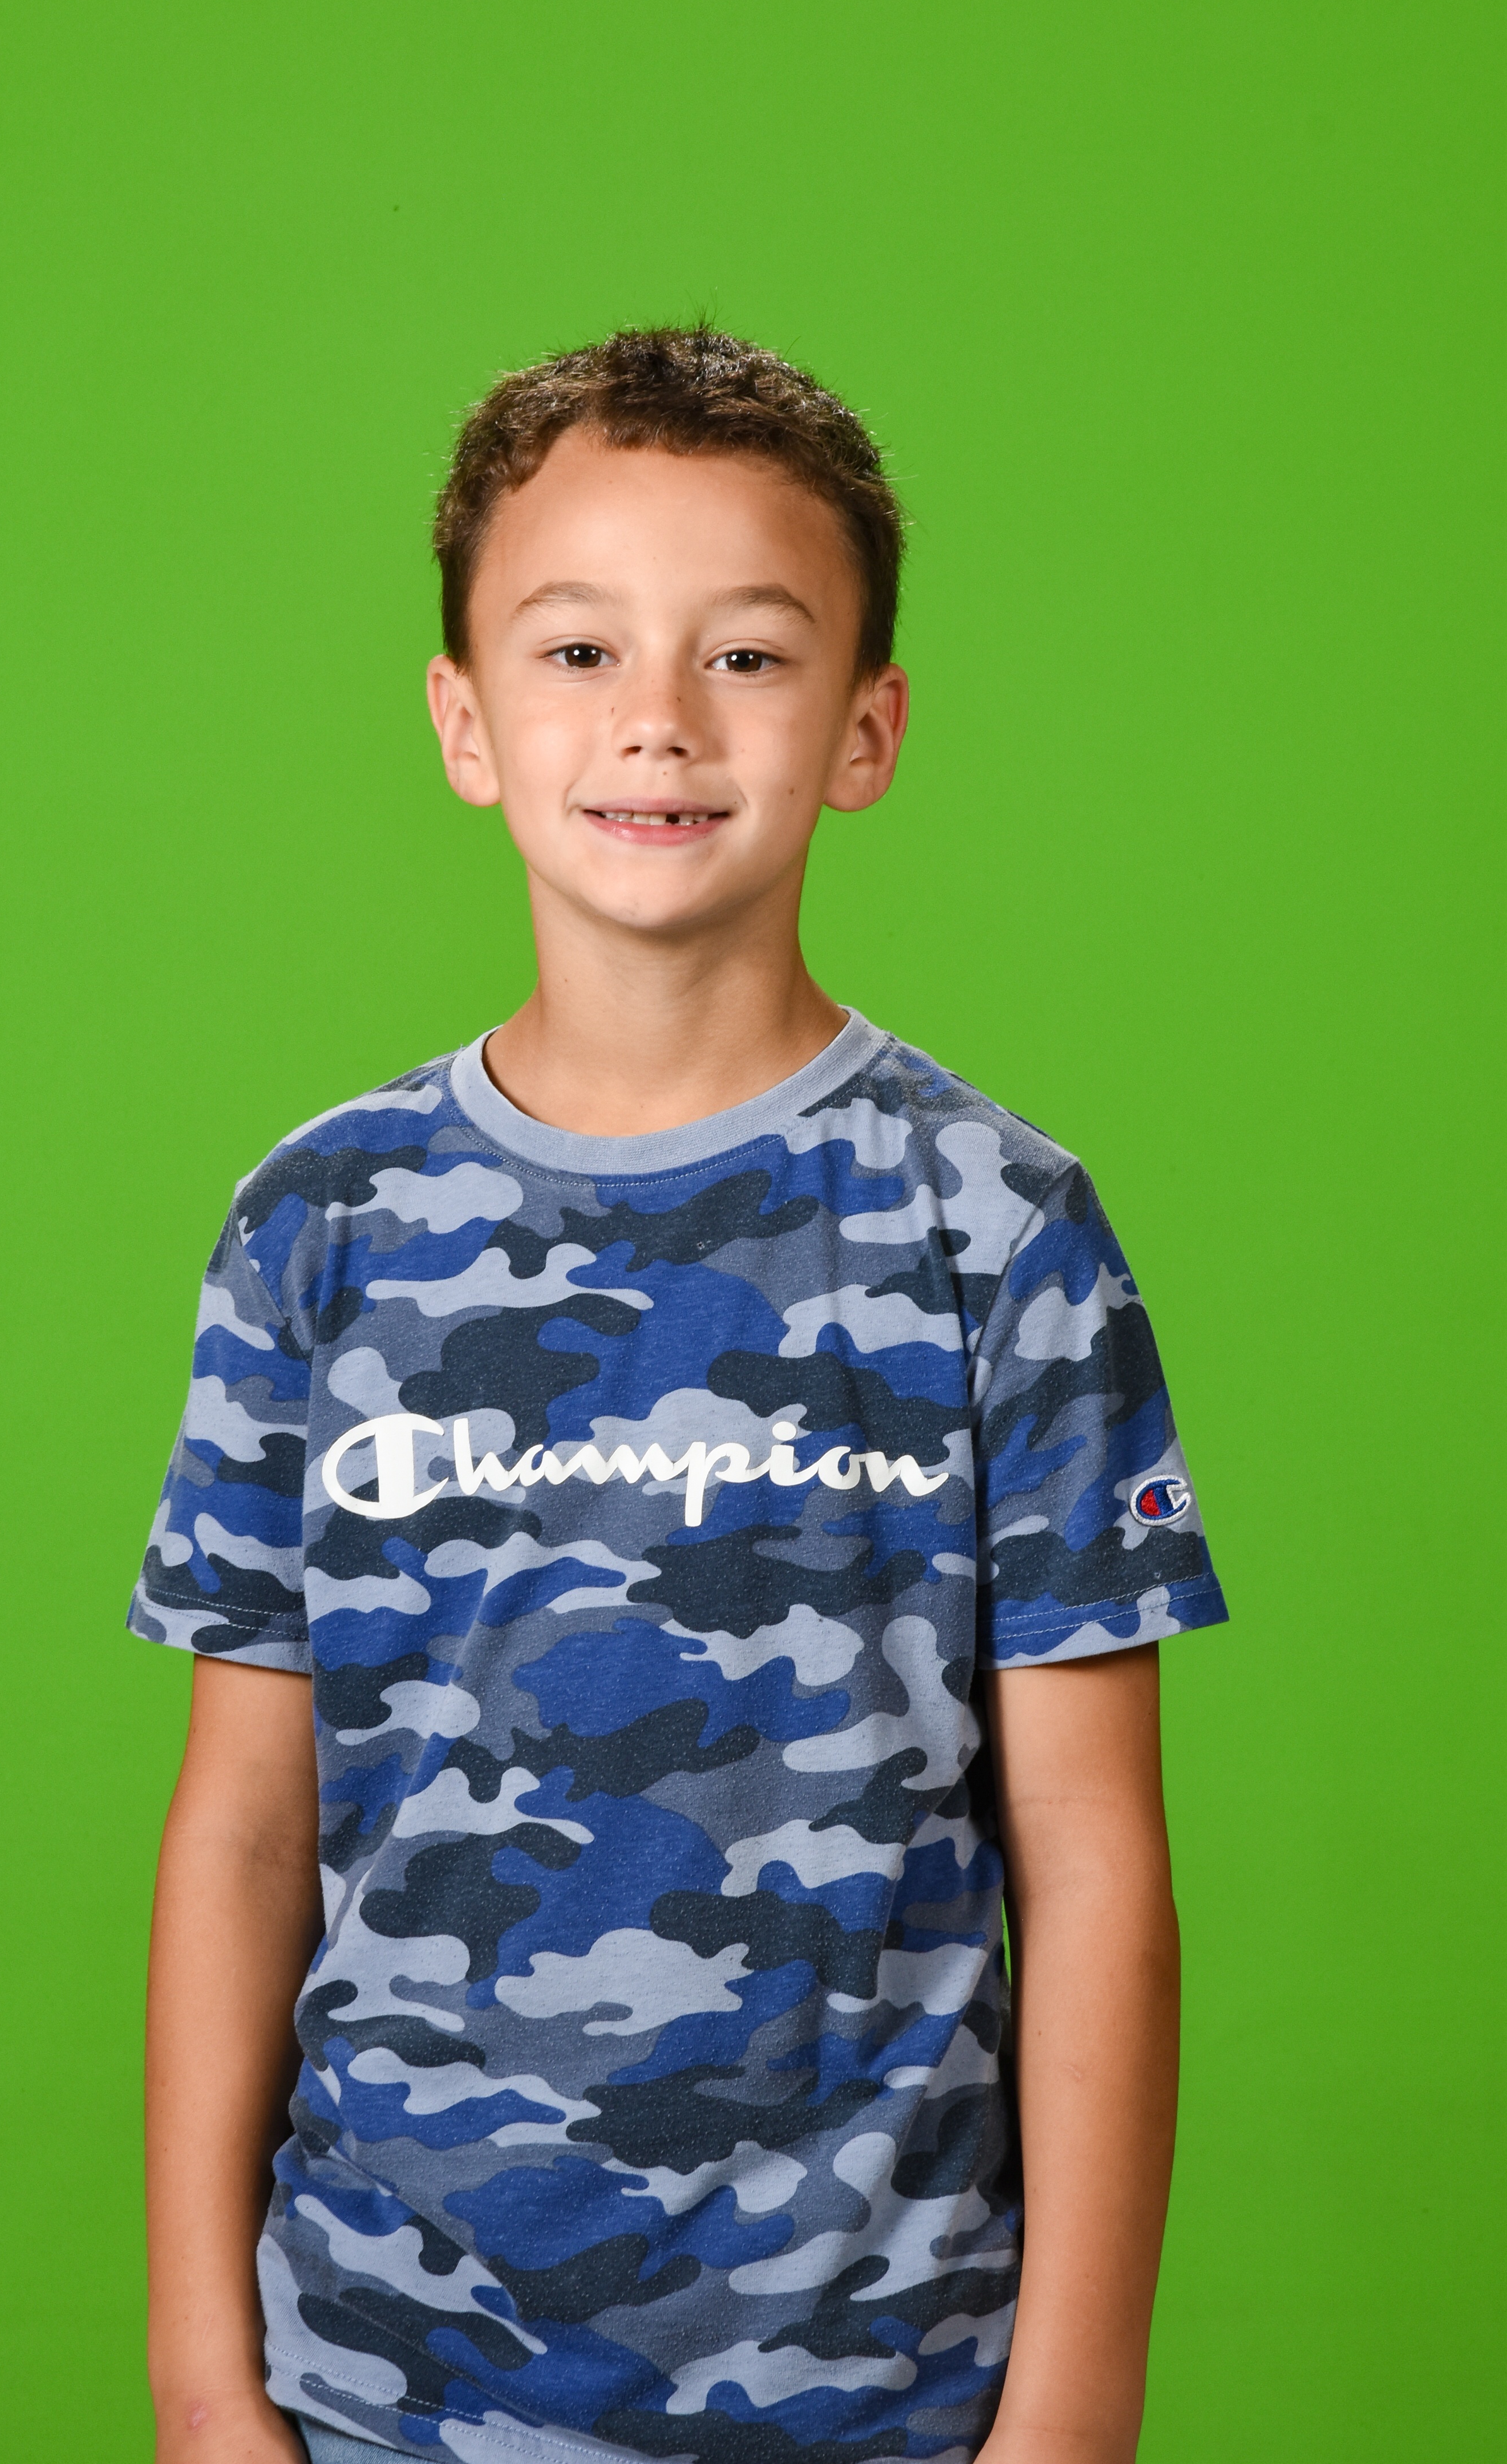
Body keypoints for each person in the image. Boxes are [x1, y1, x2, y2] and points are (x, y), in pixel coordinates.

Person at [136, 327, 1227, 2464]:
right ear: (465, 722)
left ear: (866, 730)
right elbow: (246, 1827)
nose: (658, 718)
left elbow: (1094, 1857)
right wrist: (199, 2375)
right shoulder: (319, 1226)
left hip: (886, 2390)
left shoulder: (995, 1227)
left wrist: (1073, 2415)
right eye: (577, 650)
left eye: (747, 654)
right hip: (383, 2383)